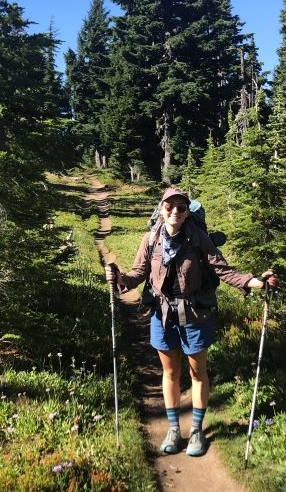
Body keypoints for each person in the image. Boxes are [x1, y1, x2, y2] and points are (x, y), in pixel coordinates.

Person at [105, 187, 277, 457]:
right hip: (162, 317)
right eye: (170, 206)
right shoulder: (150, 240)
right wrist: (121, 278)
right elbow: (139, 273)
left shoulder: (198, 239)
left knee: (198, 373)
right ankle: (174, 429)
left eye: (181, 208)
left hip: (195, 316)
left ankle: (196, 429)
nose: (175, 211)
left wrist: (255, 282)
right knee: (171, 373)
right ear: (161, 210)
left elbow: (223, 269)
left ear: (187, 213)